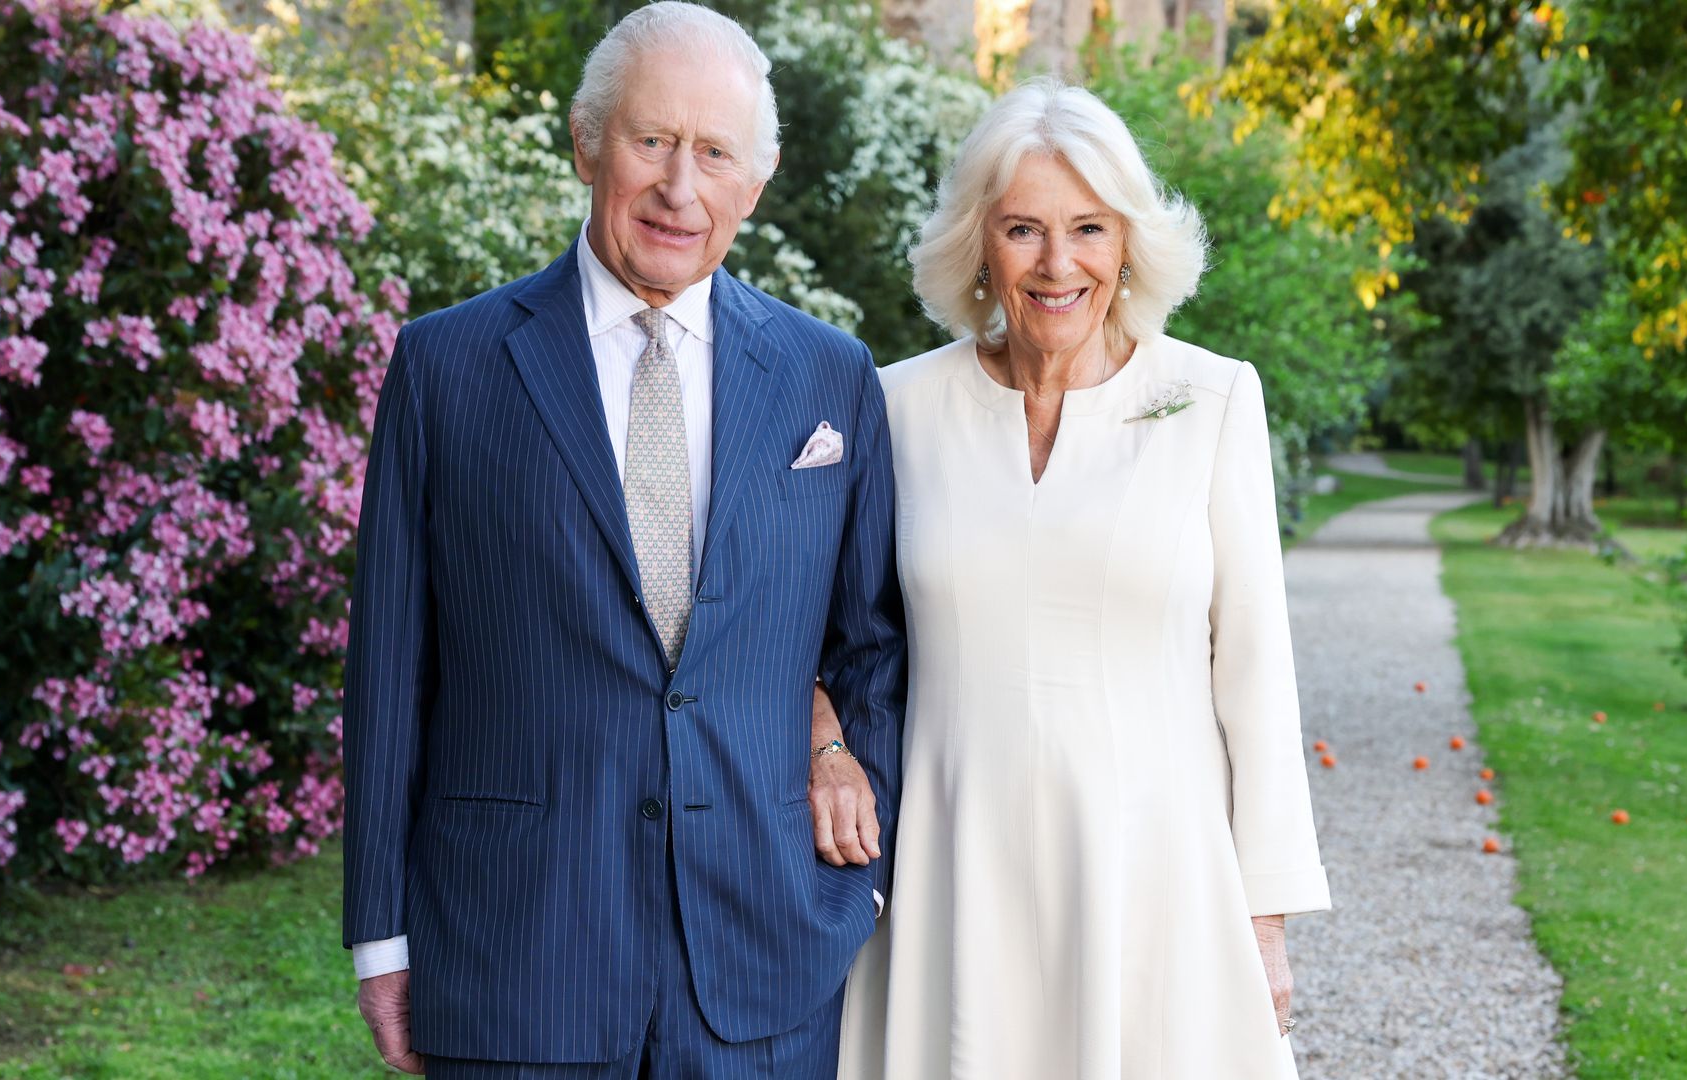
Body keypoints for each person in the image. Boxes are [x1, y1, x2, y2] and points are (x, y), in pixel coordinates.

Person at [338, 5, 906, 1076]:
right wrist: (381, 936)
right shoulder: (444, 369)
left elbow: (872, 640)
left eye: (714, 153)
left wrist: (857, 881)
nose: (679, 188)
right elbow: (389, 673)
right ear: (587, 140)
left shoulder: (830, 377)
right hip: (517, 954)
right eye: (652, 142)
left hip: (763, 963)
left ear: (760, 176)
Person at [817, 78, 1332, 1079]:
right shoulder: (895, 407)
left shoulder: (1213, 399)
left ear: (1129, 242)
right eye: (1023, 230)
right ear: (979, 243)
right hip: (951, 877)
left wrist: (1263, 921)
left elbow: (1257, 674)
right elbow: (827, 634)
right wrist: (823, 743)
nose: (1059, 264)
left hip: (1158, 878)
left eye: (1089, 227)